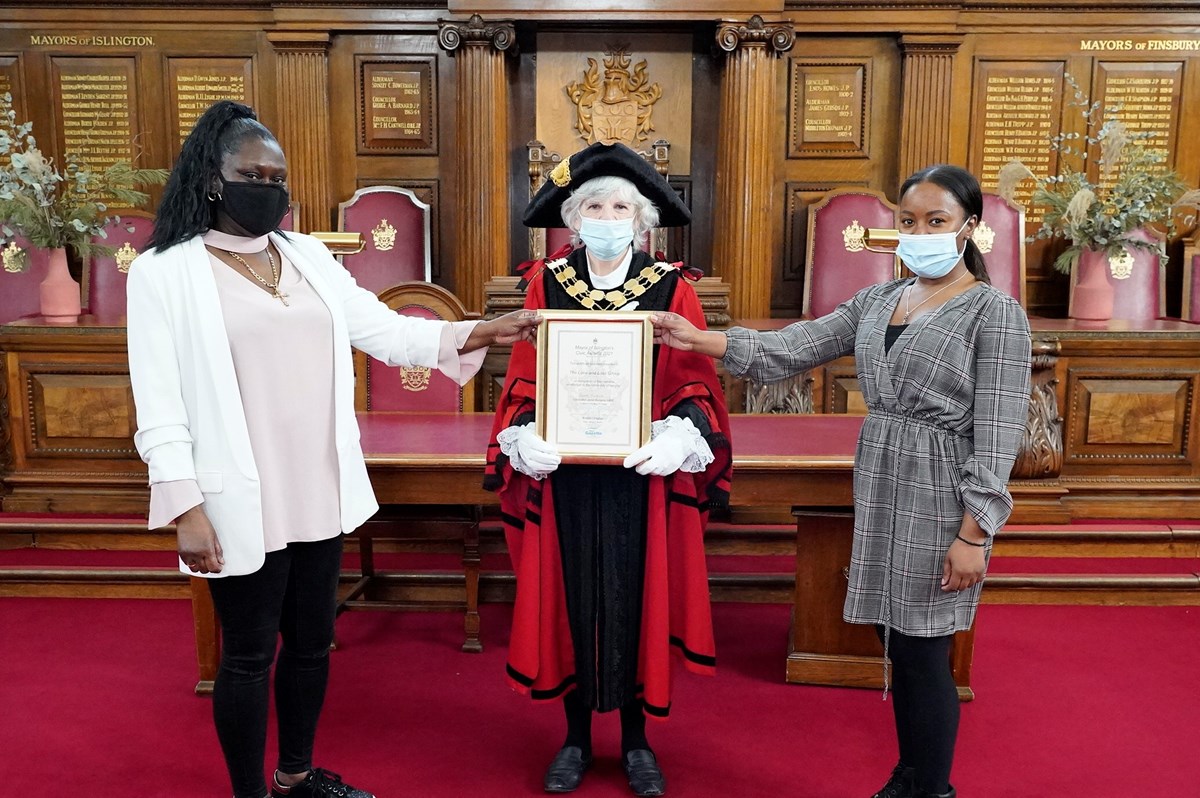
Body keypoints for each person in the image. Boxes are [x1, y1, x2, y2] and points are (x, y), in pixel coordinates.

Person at [126, 100, 537, 798]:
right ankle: (250, 794)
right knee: (250, 654)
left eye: (278, 175)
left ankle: (295, 775)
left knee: (313, 644)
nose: (269, 186)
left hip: (317, 483)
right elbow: (158, 401)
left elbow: (384, 332)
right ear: (211, 178)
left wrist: (481, 331)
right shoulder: (165, 272)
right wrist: (183, 506)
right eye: (252, 172)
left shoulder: (305, 256)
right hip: (234, 493)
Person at [650, 164, 1031, 798]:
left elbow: (999, 429)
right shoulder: (881, 299)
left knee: (923, 644)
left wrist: (976, 531)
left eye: (936, 221)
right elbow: (795, 346)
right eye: (908, 221)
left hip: (942, 487)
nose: (919, 233)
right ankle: (910, 774)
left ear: (968, 228)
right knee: (892, 633)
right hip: (881, 478)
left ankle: (932, 787)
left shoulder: (994, 313)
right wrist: (701, 338)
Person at [484, 142, 732, 797]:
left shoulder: (673, 287)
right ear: (573, 216)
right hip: (564, 472)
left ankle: (635, 743)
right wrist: (523, 431)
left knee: (633, 600)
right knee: (569, 599)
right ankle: (572, 738)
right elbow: (522, 377)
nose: (607, 213)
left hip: (639, 473)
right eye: (593, 203)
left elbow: (696, 382)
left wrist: (679, 433)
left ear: (642, 220)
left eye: (620, 204)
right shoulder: (544, 284)